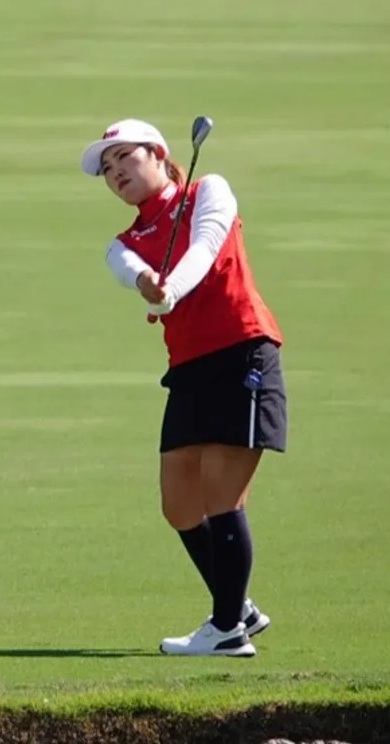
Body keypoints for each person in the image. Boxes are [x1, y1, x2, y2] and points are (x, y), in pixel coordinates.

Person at [81, 118, 287, 657]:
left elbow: (206, 247)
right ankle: (239, 606)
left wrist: (170, 287)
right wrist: (149, 283)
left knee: (222, 495)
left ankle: (227, 630)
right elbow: (129, 269)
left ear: (157, 154)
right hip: (190, 369)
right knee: (179, 504)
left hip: (242, 351)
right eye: (107, 168)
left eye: (125, 157)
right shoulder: (123, 244)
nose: (116, 172)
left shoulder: (208, 190)